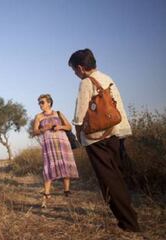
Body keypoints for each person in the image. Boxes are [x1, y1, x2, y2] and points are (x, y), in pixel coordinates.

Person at [68, 49, 141, 232]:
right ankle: (131, 217)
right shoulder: (107, 77)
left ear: (80, 68)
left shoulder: (86, 82)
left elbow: (79, 115)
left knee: (109, 182)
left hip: (97, 139)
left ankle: (128, 224)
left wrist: (79, 134)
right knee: (118, 177)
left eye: (74, 71)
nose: (75, 74)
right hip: (116, 133)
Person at [33, 94, 79, 207]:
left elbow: (69, 127)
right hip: (49, 144)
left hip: (62, 142)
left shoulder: (58, 113)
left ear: (49, 103)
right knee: (48, 166)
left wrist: (60, 127)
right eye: (39, 102)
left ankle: (66, 191)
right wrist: (45, 128)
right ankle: (46, 193)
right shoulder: (38, 116)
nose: (40, 104)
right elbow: (35, 131)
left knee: (65, 164)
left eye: (42, 102)